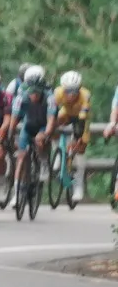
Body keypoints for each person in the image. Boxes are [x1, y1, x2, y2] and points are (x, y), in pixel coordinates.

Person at [10, 65, 56, 196]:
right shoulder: (21, 96)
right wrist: (11, 135)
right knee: (21, 155)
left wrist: (46, 134)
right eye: (31, 92)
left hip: (43, 124)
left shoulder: (50, 97)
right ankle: (17, 190)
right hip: (28, 125)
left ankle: (43, 163)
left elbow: (51, 119)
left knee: (39, 140)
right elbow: (14, 118)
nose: (33, 95)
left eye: (36, 92)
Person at [53, 69, 92, 202]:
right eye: (68, 91)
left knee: (80, 146)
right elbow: (52, 111)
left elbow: (82, 119)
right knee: (55, 122)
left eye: (75, 91)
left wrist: (79, 136)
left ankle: (79, 184)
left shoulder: (85, 96)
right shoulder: (58, 93)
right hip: (66, 112)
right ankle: (58, 152)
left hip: (81, 116)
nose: (71, 94)